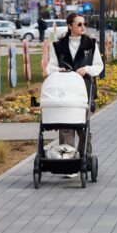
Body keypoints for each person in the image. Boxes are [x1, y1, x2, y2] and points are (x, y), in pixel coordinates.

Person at [45, 12, 103, 172]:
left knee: (83, 127)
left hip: (84, 91)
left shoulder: (91, 44)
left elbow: (99, 66)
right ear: (70, 26)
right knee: (65, 126)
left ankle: (85, 158)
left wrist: (87, 69)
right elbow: (50, 67)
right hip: (64, 91)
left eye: (84, 24)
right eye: (79, 24)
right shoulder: (58, 46)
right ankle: (67, 161)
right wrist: (58, 70)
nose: (83, 27)